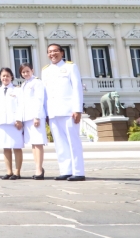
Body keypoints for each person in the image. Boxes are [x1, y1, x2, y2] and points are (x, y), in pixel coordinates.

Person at [42, 43, 85, 181]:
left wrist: (77, 109)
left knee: (73, 141)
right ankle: (66, 170)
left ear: (62, 53)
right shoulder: (45, 71)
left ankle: (78, 171)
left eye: (55, 51)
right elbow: (45, 94)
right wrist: (46, 113)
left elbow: (77, 89)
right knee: (60, 143)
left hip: (68, 111)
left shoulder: (70, 67)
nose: (52, 54)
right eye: (49, 52)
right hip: (53, 111)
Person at [0, 67, 23, 179]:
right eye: (3, 76)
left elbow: (20, 106)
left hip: (14, 123)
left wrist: (19, 119)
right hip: (2, 122)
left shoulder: (17, 90)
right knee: (6, 148)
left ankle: (17, 172)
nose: (5, 78)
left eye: (7, 76)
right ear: (0, 77)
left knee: (17, 147)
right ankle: (9, 171)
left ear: (11, 77)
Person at [19, 62, 47, 180]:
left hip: (36, 116)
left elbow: (39, 99)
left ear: (32, 70)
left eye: (27, 71)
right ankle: (37, 166)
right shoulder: (23, 84)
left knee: (38, 143)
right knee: (33, 144)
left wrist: (37, 116)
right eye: (23, 72)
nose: (26, 74)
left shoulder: (37, 82)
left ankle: (39, 169)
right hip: (27, 117)